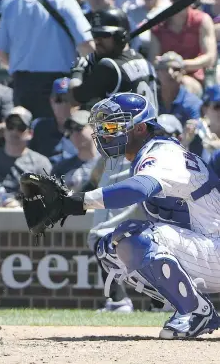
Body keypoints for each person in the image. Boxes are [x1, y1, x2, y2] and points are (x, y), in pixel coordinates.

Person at [51, 93, 220, 338]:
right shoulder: (153, 152)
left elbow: (137, 189)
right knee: (110, 248)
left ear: (140, 128)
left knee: (133, 236)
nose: (105, 133)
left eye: (112, 126)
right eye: (103, 127)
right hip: (205, 248)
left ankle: (195, 312)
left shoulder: (163, 152)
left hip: (213, 247)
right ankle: (193, 306)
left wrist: (79, 202)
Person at [0, 0, 94, 120]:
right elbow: (87, 45)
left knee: (27, 136)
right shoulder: (64, 0)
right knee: (56, 138)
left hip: (23, 84)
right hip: (58, 85)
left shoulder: (13, 5)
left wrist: (16, 66)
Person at [70, 8, 158, 110]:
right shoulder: (141, 59)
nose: (97, 41)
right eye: (95, 35)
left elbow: (74, 99)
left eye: (104, 35)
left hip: (127, 125)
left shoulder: (109, 66)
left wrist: (77, 71)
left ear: (121, 36)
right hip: (150, 123)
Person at [149, 0, 217, 84]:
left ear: (192, 1)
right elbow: (153, 61)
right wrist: (167, 65)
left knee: (183, 83)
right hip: (165, 77)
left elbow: (210, 57)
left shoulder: (202, 20)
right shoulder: (158, 25)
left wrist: (181, 64)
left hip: (194, 77)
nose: (179, 3)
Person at [29, 78, 79, 165]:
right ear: (51, 102)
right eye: (59, 99)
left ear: (78, 103)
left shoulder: (88, 129)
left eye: (68, 99)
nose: (64, 104)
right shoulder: (39, 127)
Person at [51, 110, 100, 193]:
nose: (74, 134)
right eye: (70, 131)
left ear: (94, 128)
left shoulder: (109, 161)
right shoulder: (61, 168)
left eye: (78, 128)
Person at [154, 52, 202, 126]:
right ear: (157, 72)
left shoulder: (192, 103)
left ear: (183, 72)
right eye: (165, 68)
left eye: (176, 69)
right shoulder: (150, 99)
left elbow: (197, 132)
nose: (170, 72)